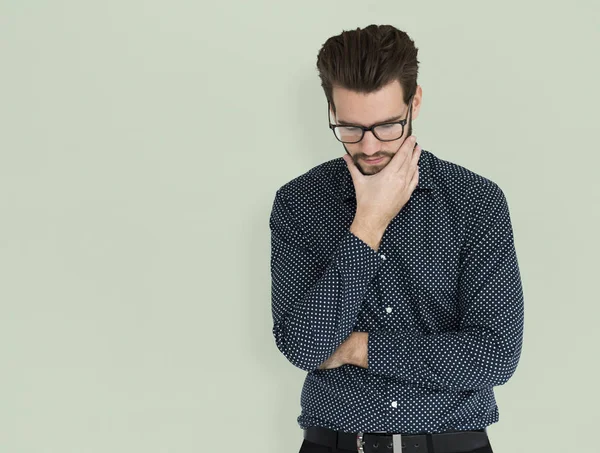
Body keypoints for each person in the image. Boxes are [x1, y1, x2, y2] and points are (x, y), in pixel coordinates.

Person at [269, 24, 524, 453]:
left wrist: (357, 348)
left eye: (387, 125)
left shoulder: (476, 202)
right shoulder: (300, 203)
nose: (369, 146)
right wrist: (369, 222)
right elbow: (302, 344)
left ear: (415, 102)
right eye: (349, 128)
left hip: (452, 444)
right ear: (330, 108)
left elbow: (494, 355)